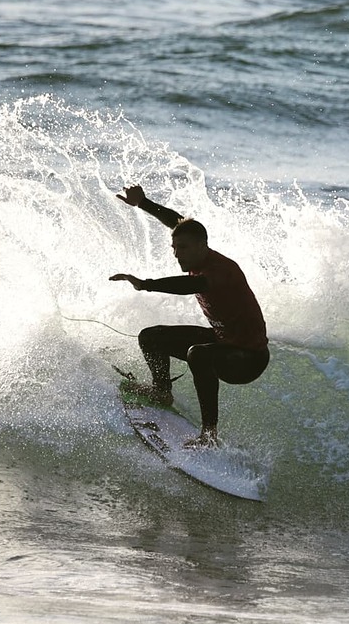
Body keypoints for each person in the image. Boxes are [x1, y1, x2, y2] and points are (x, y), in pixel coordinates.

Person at [110, 185, 269, 448]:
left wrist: (146, 284)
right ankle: (162, 392)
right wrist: (143, 202)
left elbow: (189, 287)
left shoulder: (220, 271)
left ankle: (209, 435)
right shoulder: (197, 254)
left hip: (248, 359)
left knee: (199, 354)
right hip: (224, 342)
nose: (176, 253)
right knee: (151, 337)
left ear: (201, 246)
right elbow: (177, 222)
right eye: (174, 247)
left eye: (182, 248)